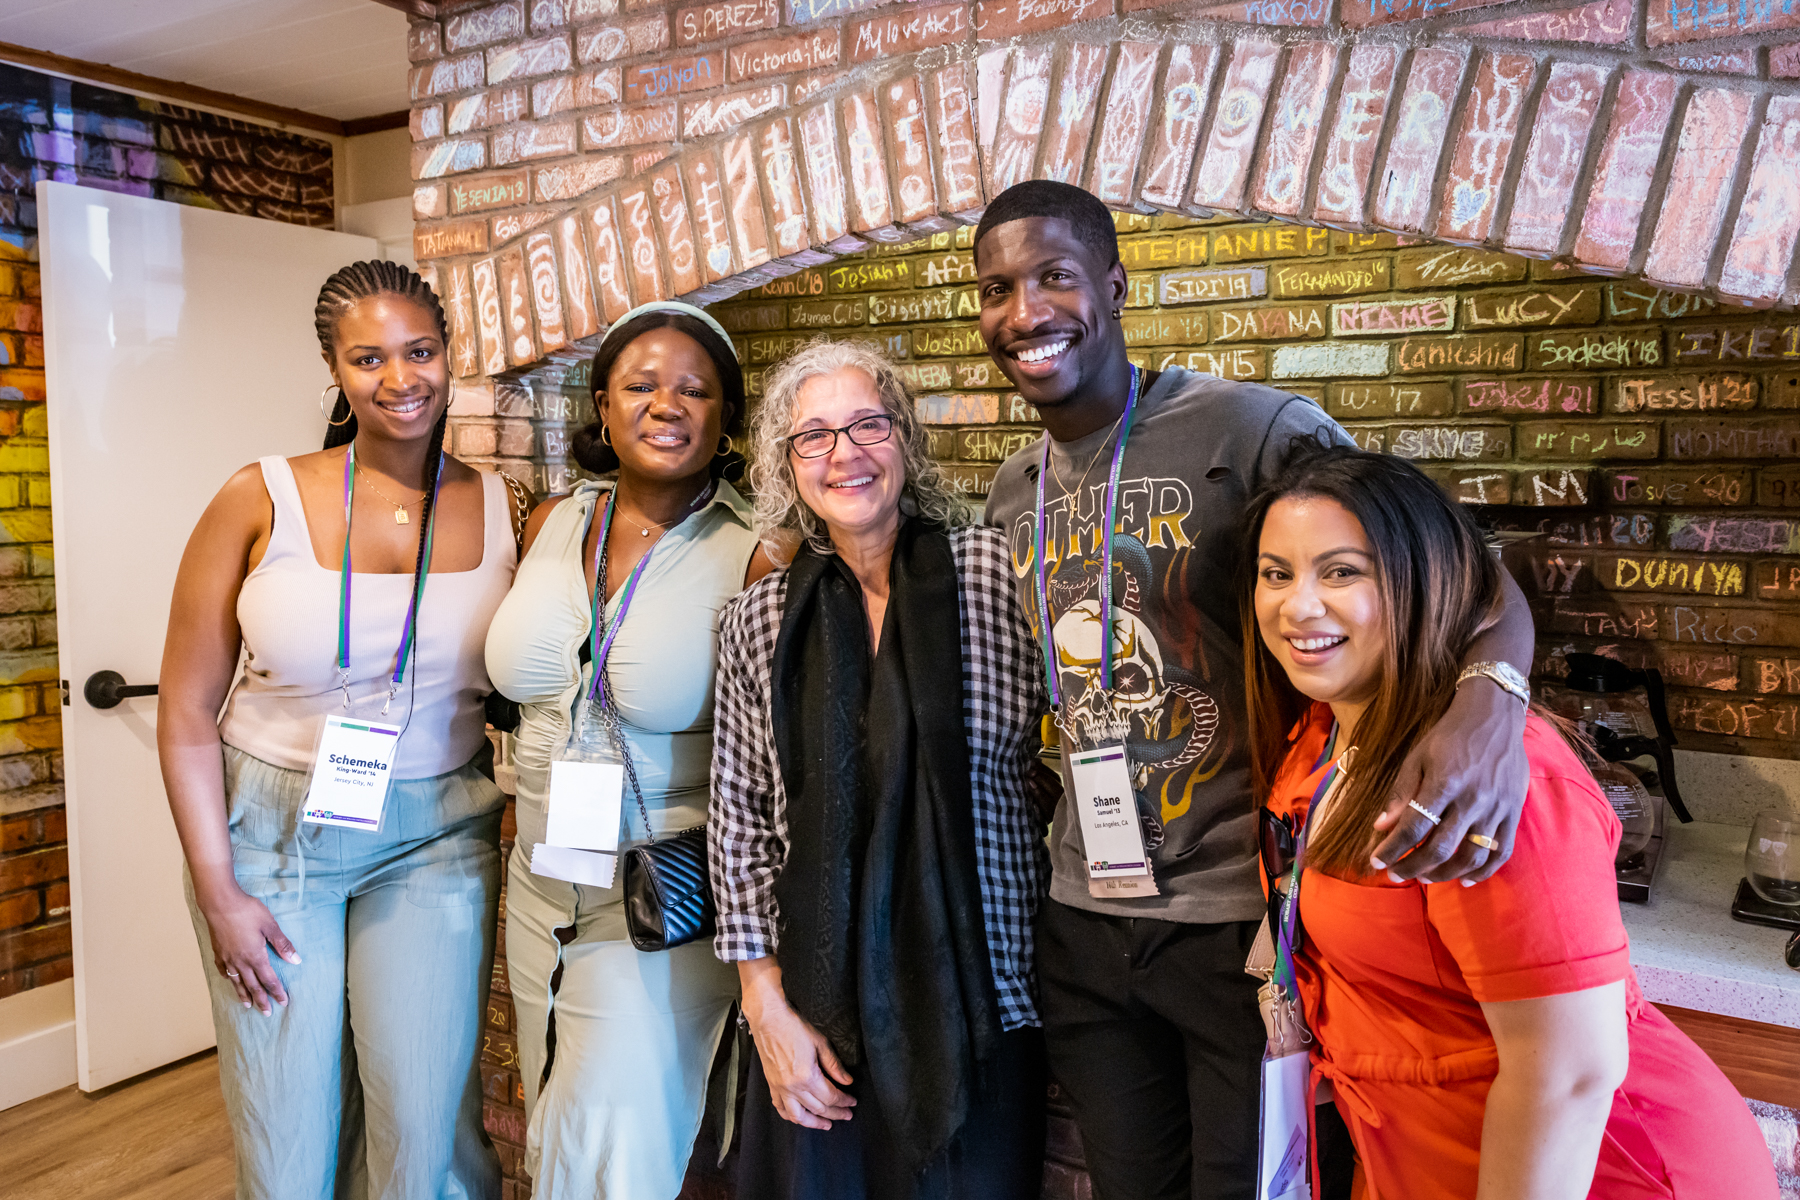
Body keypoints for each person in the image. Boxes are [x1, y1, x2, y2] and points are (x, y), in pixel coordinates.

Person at [976, 179, 1539, 1200]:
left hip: (1242, 918)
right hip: (1085, 918)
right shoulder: (1016, 487)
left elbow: (1450, 563)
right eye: (996, 289)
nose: (1024, 313)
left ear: (1112, 282)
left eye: (1053, 276)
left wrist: (1491, 698)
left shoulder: (1251, 431)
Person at [1246, 441, 1779, 1200]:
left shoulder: (1494, 781)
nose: (1297, 605)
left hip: (1605, 1171)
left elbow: (1569, 1075)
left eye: (1342, 572)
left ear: (1427, 581)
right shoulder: (1320, 737)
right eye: (1277, 573)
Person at [159, 261, 518, 1199]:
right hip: (272, 842)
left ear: (450, 355)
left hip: (440, 835)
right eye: (369, 358)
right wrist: (216, 889)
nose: (401, 378)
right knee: (288, 1145)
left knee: (422, 1134)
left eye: (421, 351)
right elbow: (186, 709)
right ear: (335, 369)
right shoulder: (260, 494)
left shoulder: (508, 507)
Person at [709, 338, 1050, 1200]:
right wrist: (765, 1005)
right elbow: (740, 819)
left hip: (980, 1000)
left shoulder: (995, 576)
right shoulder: (758, 621)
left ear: (904, 439)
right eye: (814, 436)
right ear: (789, 467)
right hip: (816, 1018)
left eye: (867, 425)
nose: (845, 454)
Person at [485, 301, 774, 1199]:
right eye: (640, 384)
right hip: (536, 882)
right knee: (557, 1118)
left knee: (603, 1146)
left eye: (695, 389)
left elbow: (776, 753)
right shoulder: (550, 525)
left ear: (726, 418)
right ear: (603, 409)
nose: (667, 403)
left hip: (659, 895)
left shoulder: (758, 551)